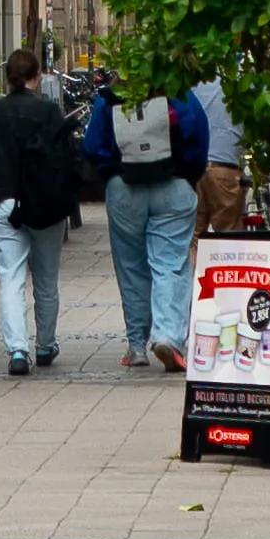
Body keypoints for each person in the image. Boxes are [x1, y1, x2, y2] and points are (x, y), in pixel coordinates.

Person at [0, 50, 84, 376]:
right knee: (46, 279)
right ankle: (45, 345)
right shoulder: (48, 112)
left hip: (5, 204)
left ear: (8, 78)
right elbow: (68, 157)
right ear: (37, 76)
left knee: (11, 278)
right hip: (45, 205)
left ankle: (17, 350)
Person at [85, 76, 208, 372]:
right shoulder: (180, 92)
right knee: (171, 263)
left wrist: (112, 173)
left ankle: (137, 345)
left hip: (125, 187)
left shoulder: (109, 97)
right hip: (174, 185)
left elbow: (92, 145)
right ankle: (169, 336)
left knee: (131, 266)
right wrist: (187, 175)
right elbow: (199, 136)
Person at [190, 76, 249, 235]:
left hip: (194, 169)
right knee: (228, 234)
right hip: (224, 167)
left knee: (192, 235)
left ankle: (193, 260)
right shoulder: (241, 81)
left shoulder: (193, 83)